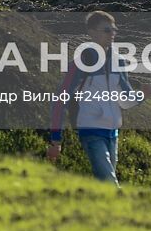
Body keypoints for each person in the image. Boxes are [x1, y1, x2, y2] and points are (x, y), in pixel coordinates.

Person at [46, 10, 140, 184]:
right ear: (92, 32)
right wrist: (55, 139)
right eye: (107, 30)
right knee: (109, 181)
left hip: (113, 132)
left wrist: (143, 95)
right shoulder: (83, 61)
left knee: (105, 182)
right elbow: (60, 100)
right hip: (90, 129)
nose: (112, 33)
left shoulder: (118, 61)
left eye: (114, 30)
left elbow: (126, 101)